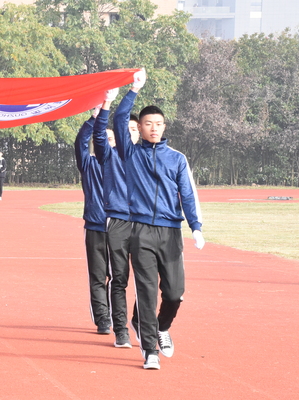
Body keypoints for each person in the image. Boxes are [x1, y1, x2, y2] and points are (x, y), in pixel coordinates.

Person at [112, 69, 205, 370]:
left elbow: (187, 194)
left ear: (164, 127)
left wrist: (196, 227)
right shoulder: (130, 153)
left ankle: (161, 327)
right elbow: (118, 119)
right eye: (148, 124)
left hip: (170, 232)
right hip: (140, 231)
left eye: (158, 124)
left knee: (174, 293)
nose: (154, 128)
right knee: (147, 291)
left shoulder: (176, 158)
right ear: (139, 127)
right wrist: (133, 90)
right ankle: (150, 350)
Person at [92, 88, 135, 348]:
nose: (129, 132)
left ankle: (141, 322)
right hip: (117, 221)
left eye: (134, 129)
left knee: (148, 279)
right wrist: (107, 102)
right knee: (119, 278)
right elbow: (100, 134)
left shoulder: (145, 155)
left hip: (144, 223)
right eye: (126, 128)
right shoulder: (109, 154)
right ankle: (121, 330)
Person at [74, 106, 111, 335]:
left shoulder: (123, 165)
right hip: (96, 226)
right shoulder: (89, 164)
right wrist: (93, 118)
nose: (105, 142)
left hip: (120, 227)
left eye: (110, 139)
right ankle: (103, 319)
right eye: (102, 137)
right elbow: (80, 142)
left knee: (118, 277)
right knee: (98, 276)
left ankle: (116, 315)